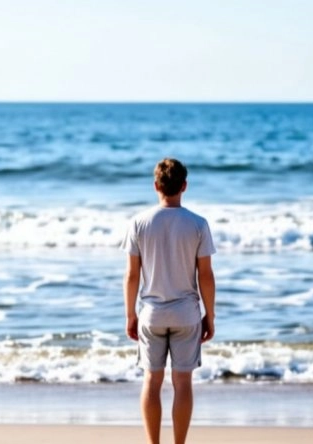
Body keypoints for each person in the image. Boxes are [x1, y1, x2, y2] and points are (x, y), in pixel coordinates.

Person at [122, 158, 216, 444]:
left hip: (152, 313)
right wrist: (210, 316)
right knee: (183, 382)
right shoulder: (198, 224)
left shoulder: (139, 223)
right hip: (186, 314)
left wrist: (130, 315)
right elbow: (206, 276)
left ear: (156, 186)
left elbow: (132, 275)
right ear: (184, 186)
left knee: (152, 380)